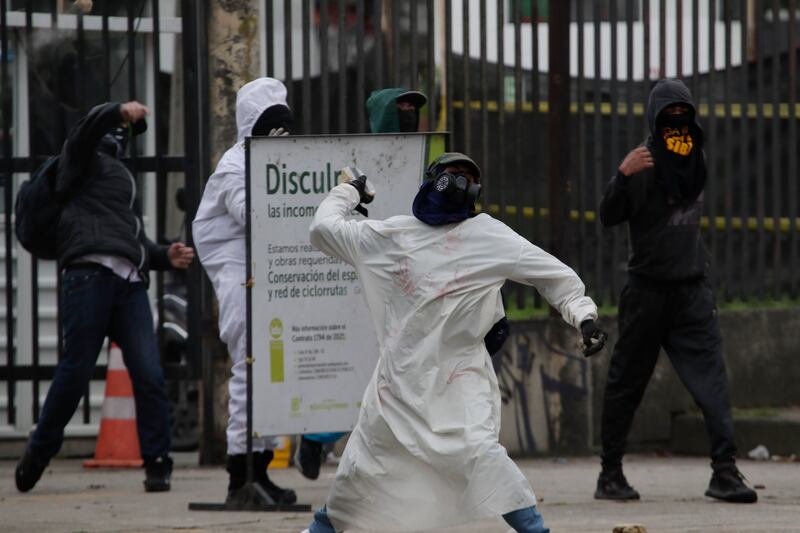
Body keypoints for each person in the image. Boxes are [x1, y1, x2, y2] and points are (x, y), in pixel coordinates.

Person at [302, 153, 607, 532]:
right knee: (361, 474)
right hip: (398, 384)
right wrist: (349, 191)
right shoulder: (389, 237)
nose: (460, 181)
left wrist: (583, 315)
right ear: (432, 179)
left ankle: (534, 529)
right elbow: (323, 227)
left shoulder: (488, 235)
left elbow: (552, 276)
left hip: (460, 377)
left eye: (468, 176)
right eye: (453, 173)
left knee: (480, 453)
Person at [14, 100, 195, 493]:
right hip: (89, 277)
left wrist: (166, 255)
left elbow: (131, 241)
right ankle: (39, 451)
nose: (125, 138)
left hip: (129, 284)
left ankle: (158, 462)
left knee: (148, 373)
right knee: (76, 372)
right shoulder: (78, 161)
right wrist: (115, 111)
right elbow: (84, 131)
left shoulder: (124, 179)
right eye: (123, 129)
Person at [595, 79, 757, 504]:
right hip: (647, 293)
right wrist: (621, 175)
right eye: (669, 115)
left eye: (684, 114)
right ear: (653, 117)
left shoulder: (694, 156)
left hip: (691, 292)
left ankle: (725, 472)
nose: (678, 123)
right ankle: (609, 474)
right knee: (626, 383)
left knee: (713, 383)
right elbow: (608, 215)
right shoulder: (642, 162)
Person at [192, 77, 297, 505]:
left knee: (273, 367)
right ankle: (240, 474)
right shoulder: (234, 166)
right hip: (235, 267)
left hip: (264, 265)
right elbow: (252, 212)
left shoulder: (277, 163)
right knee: (249, 363)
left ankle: (262, 467)